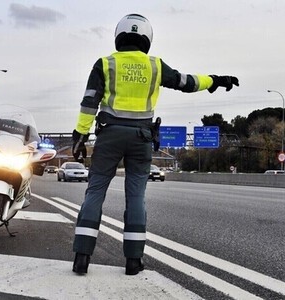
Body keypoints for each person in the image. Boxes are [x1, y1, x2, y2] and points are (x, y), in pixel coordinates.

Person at [71, 13, 239, 276]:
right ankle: (133, 261)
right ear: (147, 38)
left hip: (109, 136)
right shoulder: (155, 66)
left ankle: (82, 257)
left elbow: (89, 102)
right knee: (136, 197)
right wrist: (215, 80)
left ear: (119, 36)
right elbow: (186, 82)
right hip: (141, 139)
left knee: (95, 192)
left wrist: (79, 137)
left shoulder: (105, 64)